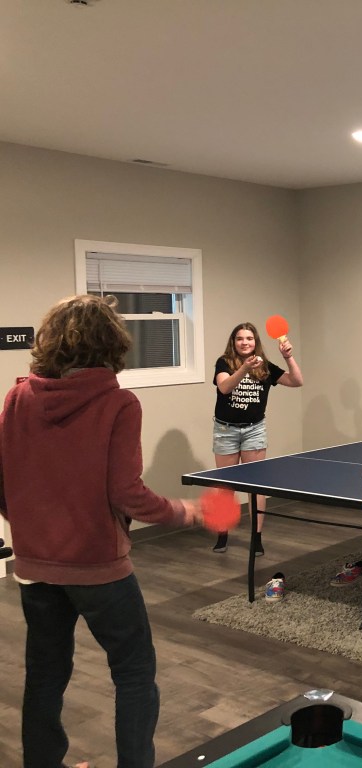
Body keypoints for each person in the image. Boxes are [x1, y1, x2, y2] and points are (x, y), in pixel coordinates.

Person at [0, 294, 225, 768]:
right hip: (98, 567)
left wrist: (29, 528)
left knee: (44, 674)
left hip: (34, 567)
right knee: (134, 671)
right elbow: (127, 493)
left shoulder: (17, 398)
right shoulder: (119, 402)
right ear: (112, 343)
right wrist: (185, 513)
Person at [211, 322, 303, 555]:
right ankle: (222, 533)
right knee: (226, 486)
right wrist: (244, 368)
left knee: (255, 486)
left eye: (249, 338)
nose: (245, 342)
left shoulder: (265, 366)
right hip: (226, 430)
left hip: (254, 430)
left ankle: (256, 537)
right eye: (240, 338)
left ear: (256, 342)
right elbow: (224, 388)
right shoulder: (224, 362)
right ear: (234, 342)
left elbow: (297, 381)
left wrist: (288, 357)